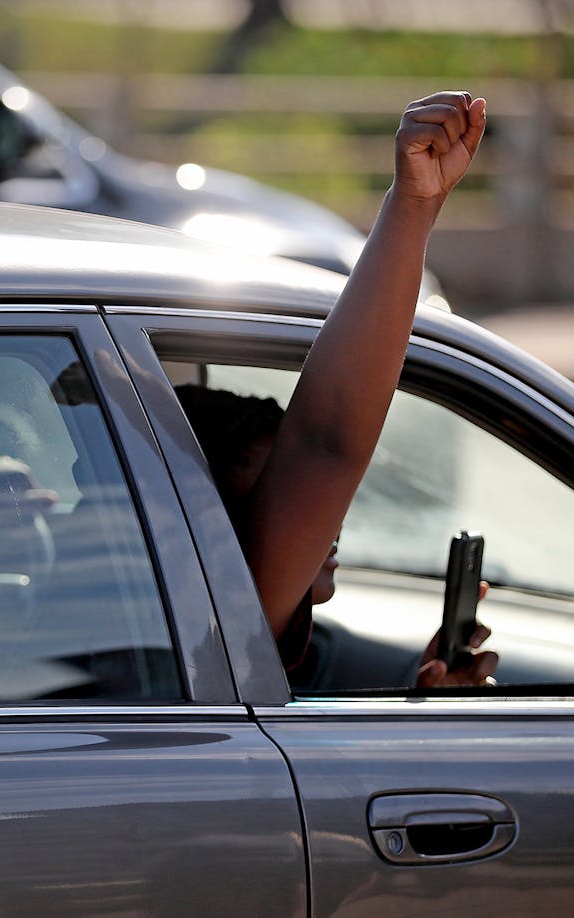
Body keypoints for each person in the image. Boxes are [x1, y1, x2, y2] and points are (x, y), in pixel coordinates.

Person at [182, 91, 498, 689]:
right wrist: (412, 204)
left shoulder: (171, 636)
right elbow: (325, 443)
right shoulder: (217, 617)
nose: (330, 517)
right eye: (276, 483)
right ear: (211, 518)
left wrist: (422, 699)